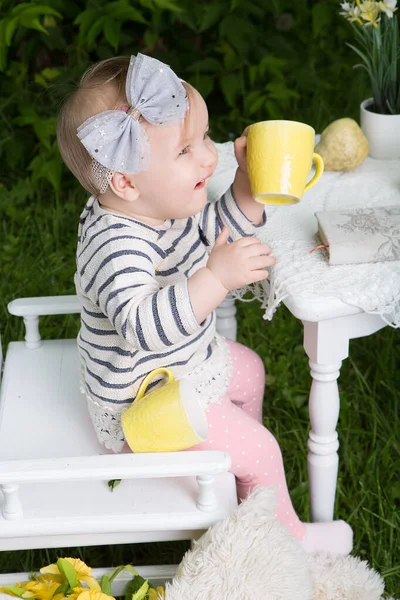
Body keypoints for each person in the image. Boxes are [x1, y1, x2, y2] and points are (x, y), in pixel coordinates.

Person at [57, 53, 352, 554]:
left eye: (205, 139)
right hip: (145, 403)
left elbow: (205, 235)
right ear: (126, 183)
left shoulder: (154, 206)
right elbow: (140, 326)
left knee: (250, 369)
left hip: (179, 367)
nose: (208, 158)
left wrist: (245, 189)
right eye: (186, 152)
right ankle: (284, 539)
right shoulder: (117, 245)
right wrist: (215, 278)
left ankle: (233, 479)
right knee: (262, 449)